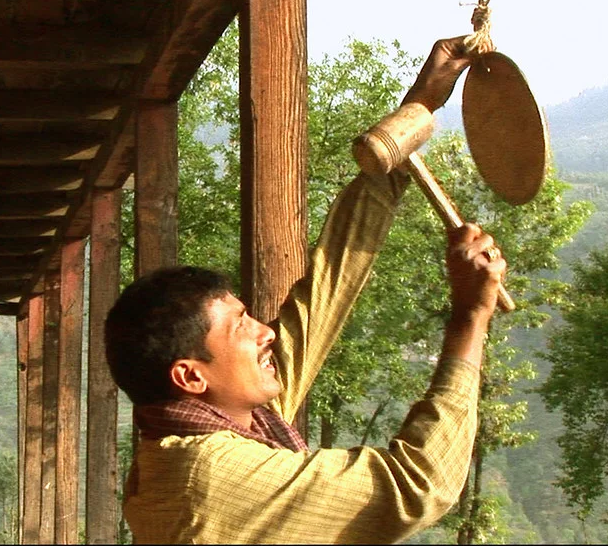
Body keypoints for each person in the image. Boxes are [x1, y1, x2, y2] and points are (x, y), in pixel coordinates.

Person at [105, 36, 506, 544]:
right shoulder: (207, 474)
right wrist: (470, 316)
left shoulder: (220, 420)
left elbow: (327, 288)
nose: (265, 334)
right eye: (241, 328)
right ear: (190, 375)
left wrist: (417, 109)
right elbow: (419, 486)